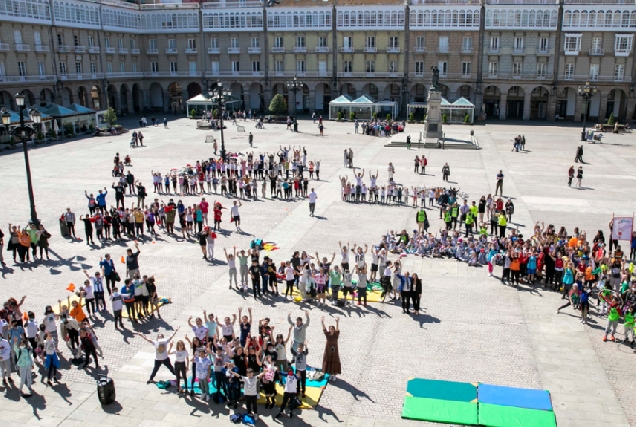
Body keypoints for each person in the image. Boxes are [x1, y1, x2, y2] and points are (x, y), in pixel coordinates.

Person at [321, 316, 341, 381]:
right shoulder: (327, 334)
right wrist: (322, 322)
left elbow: (337, 329)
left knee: (334, 361)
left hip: (334, 351)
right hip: (328, 351)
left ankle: (334, 374)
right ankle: (330, 373)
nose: (331, 330)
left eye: (332, 329)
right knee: (328, 361)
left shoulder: (336, 334)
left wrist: (337, 322)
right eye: (330, 329)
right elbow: (324, 329)